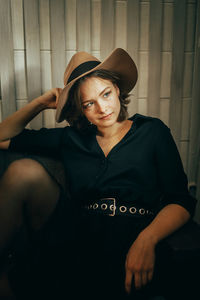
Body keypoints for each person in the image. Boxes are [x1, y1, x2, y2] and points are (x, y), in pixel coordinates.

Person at [0, 48, 197, 299]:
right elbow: (2, 137)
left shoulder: (152, 132)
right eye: (89, 103)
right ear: (80, 109)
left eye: (105, 94)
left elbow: (179, 199)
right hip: (76, 236)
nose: (102, 108)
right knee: (21, 170)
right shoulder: (71, 138)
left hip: (132, 235)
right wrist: (40, 104)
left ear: (117, 89)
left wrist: (147, 239)